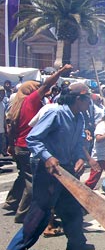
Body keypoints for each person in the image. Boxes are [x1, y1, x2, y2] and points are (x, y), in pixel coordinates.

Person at [6, 82, 95, 250]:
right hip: (47, 170)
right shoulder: (56, 113)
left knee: (72, 210)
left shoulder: (80, 117)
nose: (89, 103)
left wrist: (80, 158)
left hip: (66, 170)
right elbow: (33, 138)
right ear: (78, 99)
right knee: (40, 214)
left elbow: (77, 143)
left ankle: (78, 246)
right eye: (87, 99)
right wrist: (48, 157)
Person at [3, 64, 72, 224]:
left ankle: (11, 202)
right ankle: (22, 214)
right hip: (28, 148)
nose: (39, 90)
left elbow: (11, 128)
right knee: (32, 183)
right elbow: (47, 84)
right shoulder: (30, 101)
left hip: (19, 146)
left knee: (22, 175)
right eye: (36, 88)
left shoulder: (17, 104)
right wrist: (61, 71)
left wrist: (11, 145)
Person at [84, 105, 105, 190]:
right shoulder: (102, 125)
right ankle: (84, 192)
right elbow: (98, 139)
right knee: (93, 179)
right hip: (100, 156)